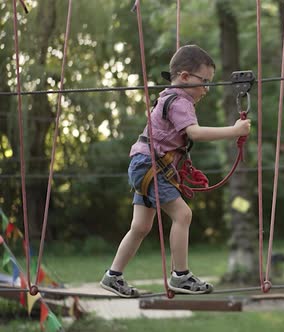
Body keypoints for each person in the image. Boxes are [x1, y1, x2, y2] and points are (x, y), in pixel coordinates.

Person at [99, 45, 251, 297]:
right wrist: (234, 131)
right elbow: (195, 133)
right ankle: (180, 275)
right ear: (183, 77)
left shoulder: (167, 97)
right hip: (150, 165)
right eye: (204, 82)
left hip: (144, 165)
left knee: (140, 227)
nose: (206, 89)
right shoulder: (180, 101)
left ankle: (112, 275)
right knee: (183, 215)